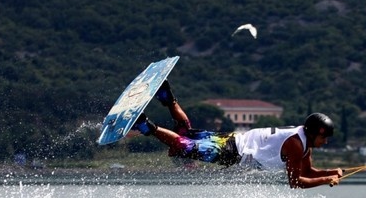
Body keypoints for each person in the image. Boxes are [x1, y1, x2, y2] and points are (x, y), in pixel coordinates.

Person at [131, 81, 343, 189]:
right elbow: (296, 182)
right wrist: (327, 179)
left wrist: (333, 171)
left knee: (185, 132)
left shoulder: (303, 141)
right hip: (234, 153)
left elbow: (308, 171)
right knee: (183, 145)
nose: (325, 142)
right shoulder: (296, 146)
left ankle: (167, 96)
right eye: (324, 138)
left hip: (232, 140)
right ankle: (146, 126)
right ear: (314, 133)